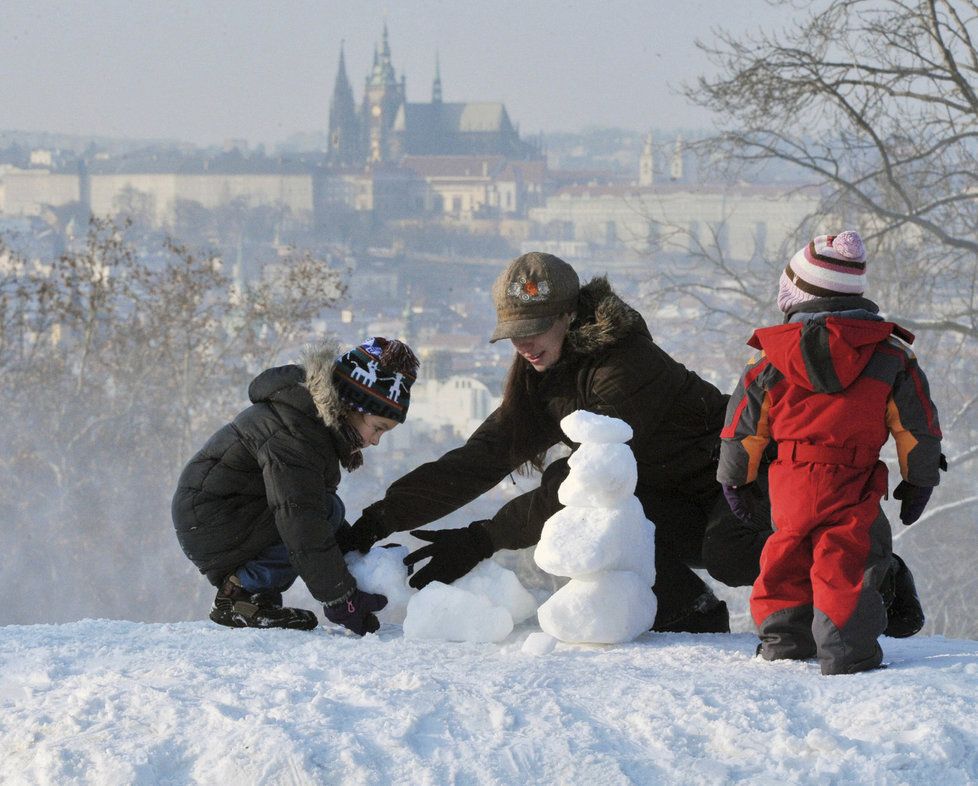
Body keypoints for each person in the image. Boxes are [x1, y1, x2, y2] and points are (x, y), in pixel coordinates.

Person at [336, 252, 733, 633]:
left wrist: (482, 538)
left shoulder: (625, 366)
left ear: (569, 314)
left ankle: (697, 614)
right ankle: (688, 614)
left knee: (591, 504)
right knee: (596, 505)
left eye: (534, 329)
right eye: (514, 334)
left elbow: (583, 486)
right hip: (670, 494)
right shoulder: (546, 373)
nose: (523, 345)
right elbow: (481, 458)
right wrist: (378, 520)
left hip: (730, 496)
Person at [716, 231, 943, 675]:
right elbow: (916, 427)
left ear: (798, 293)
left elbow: (743, 428)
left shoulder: (768, 359)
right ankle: (848, 652)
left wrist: (735, 479)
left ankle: (783, 642)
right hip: (854, 477)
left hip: (791, 478)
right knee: (847, 560)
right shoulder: (891, 357)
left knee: (785, 553)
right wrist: (920, 478)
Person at [172, 337, 419, 635]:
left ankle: (259, 599)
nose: (376, 440)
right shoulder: (295, 433)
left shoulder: (306, 421)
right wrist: (342, 598)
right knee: (323, 512)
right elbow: (301, 520)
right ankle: (239, 596)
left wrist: (355, 554)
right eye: (377, 427)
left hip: (220, 515)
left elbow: (304, 505)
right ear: (351, 405)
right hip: (212, 519)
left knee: (327, 509)